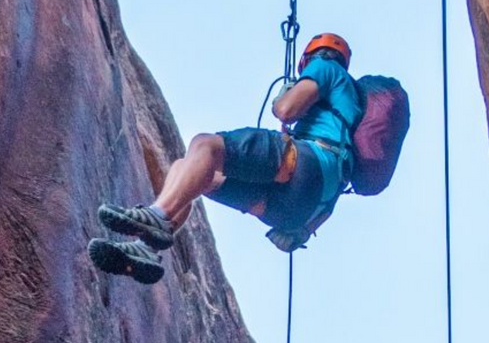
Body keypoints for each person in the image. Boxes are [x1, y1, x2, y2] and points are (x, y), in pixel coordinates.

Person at [90, 32, 365, 284]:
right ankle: (145, 249)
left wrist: (286, 97)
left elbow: (285, 110)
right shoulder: (348, 104)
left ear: (307, 60)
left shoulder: (327, 68)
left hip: (307, 163)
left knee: (205, 146)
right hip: (296, 213)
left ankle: (156, 215)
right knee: (195, 173)